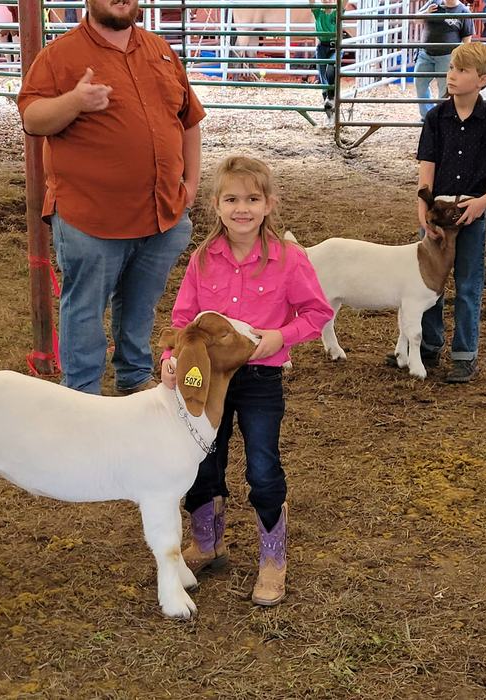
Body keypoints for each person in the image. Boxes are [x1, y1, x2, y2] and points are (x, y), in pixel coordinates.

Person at [161, 156, 333, 606]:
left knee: (262, 464)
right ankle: (207, 541)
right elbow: (184, 318)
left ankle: (272, 557)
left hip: (261, 376)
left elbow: (317, 313)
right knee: (202, 459)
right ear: (215, 204)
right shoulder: (203, 259)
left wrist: (281, 336)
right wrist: (170, 358)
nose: (242, 208)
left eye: (252, 199)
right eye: (232, 199)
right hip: (208, 378)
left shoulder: (288, 259)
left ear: (269, 204)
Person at [17, 0, 205, 396]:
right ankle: (82, 392)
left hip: (162, 213)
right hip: (91, 215)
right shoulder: (59, 56)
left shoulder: (160, 50)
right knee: (85, 307)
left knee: (141, 303)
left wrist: (191, 185)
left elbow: (188, 120)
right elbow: (32, 119)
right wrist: (75, 102)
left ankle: (134, 376)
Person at [414, 41, 486, 382]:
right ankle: (428, 347)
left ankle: (465, 354)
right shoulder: (436, 117)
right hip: (439, 209)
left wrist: (483, 202)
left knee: (467, 283)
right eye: (451, 68)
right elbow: (427, 165)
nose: (452, 75)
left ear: (482, 79)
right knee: (428, 283)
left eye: (461, 71)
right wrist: (423, 209)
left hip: (471, 212)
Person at [414, 0, 474, 121]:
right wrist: (426, 12)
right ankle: (428, 117)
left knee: (445, 89)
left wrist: (463, 59)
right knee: (420, 83)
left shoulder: (463, 12)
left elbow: (467, 39)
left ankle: (440, 118)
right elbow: (416, 20)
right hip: (425, 53)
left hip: (447, 56)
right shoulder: (434, 3)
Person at [309, 0, 345, 126]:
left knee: (331, 67)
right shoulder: (318, 11)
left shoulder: (337, 11)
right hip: (322, 47)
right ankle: (329, 114)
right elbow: (311, 2)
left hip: (335, 46)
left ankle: (331, 98)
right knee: (322, 76)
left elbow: (344, 2)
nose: (327, 0)